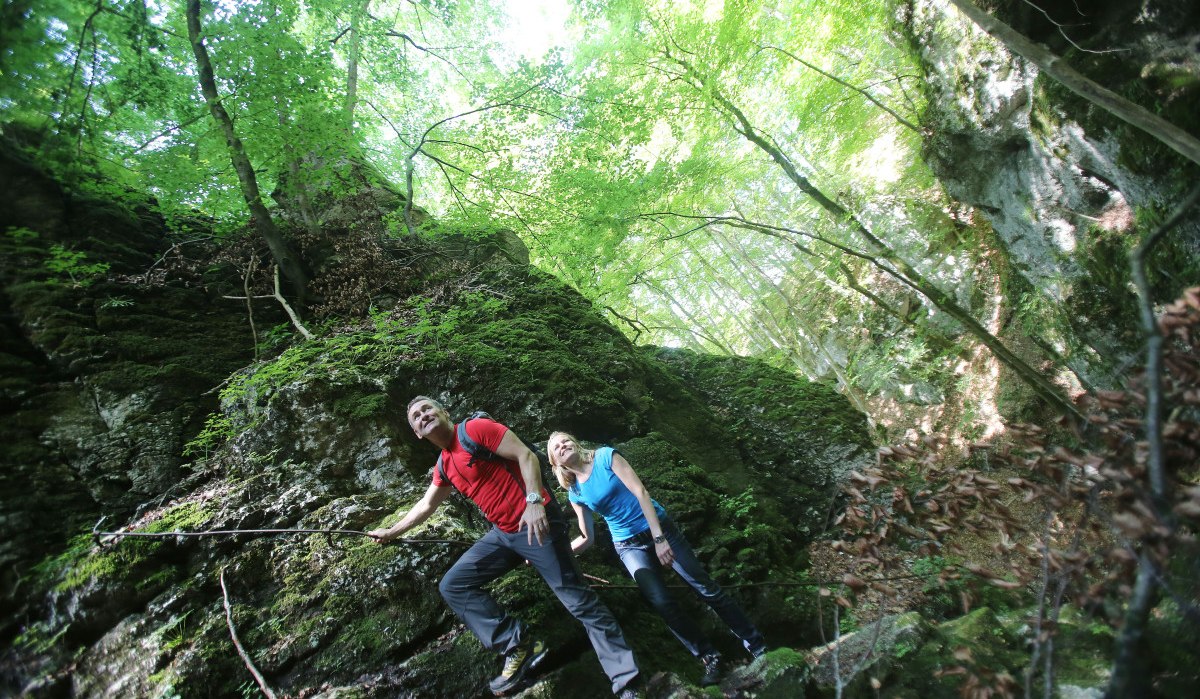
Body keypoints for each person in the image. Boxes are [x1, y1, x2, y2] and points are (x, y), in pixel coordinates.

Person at [369, 397, 641, 697]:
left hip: (538, 524)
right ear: (418, 433)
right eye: (417, 417)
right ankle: (517, 643)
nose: (423, 416)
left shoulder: (475, 430)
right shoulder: (444, 464)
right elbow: (427, 504)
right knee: (454, 585)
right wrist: (392, 531)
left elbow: (526, 456)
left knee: (579, 602)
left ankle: (626, 680)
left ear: (443, 412)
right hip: (504, 534)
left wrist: (534, 501)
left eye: (427, 409)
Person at [547, 431, 767, 687]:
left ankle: (755, 643)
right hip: (628, 546)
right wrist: (550, 556)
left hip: (658, 529)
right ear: (557, 462)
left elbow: (640, 492)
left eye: (565, 441)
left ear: (576, 442)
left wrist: (659, 538)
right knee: (662, 603)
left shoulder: (606, 457)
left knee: (704, 587)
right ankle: (709, 657)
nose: (563, 446)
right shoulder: (575, 492)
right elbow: (587, 538)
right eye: (556, 448)